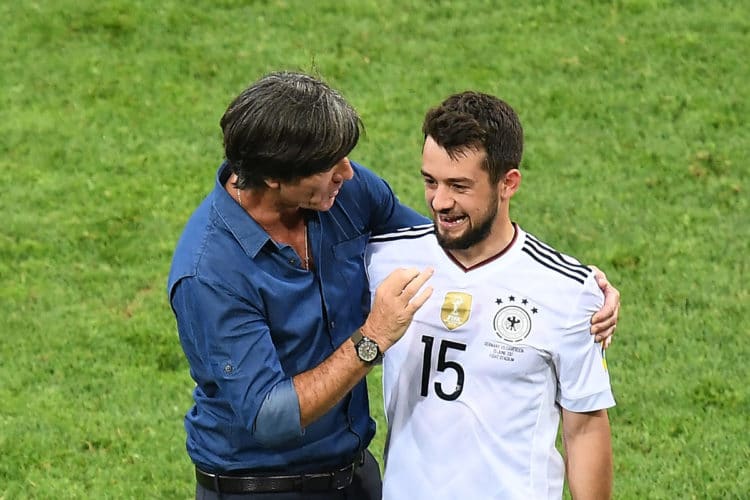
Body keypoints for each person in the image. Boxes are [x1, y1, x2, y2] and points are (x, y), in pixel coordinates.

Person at [167, 71, 619, 499]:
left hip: (356, 478)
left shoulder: (345, 194)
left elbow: (444, 244)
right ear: (274, 177)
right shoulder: (208, 273)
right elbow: (270, 416)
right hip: (263, 487)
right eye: (329, 165)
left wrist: (576, 287)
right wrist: (373, 338)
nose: (347, 172)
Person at [366, 91, 616, 499]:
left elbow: (584, 426)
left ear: (508, 183)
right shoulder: (384, 261)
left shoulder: (568, 292)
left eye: (459, 185)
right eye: (431, 181)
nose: (440, 201)